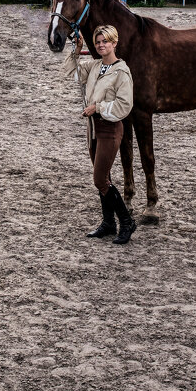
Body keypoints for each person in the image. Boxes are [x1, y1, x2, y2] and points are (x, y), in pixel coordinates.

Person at [62, 24, 136, 244]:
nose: (101, 45)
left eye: (105, 41)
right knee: (105, 178)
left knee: (99, 179)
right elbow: (70, 72)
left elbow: (125, 105)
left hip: (110, 128)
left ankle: (127, 221)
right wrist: (77, 49)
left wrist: (98, 107)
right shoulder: (94, 66)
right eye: (98, 42)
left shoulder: (121, 71)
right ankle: (108, 223)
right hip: (93, 128)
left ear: (114, 43)